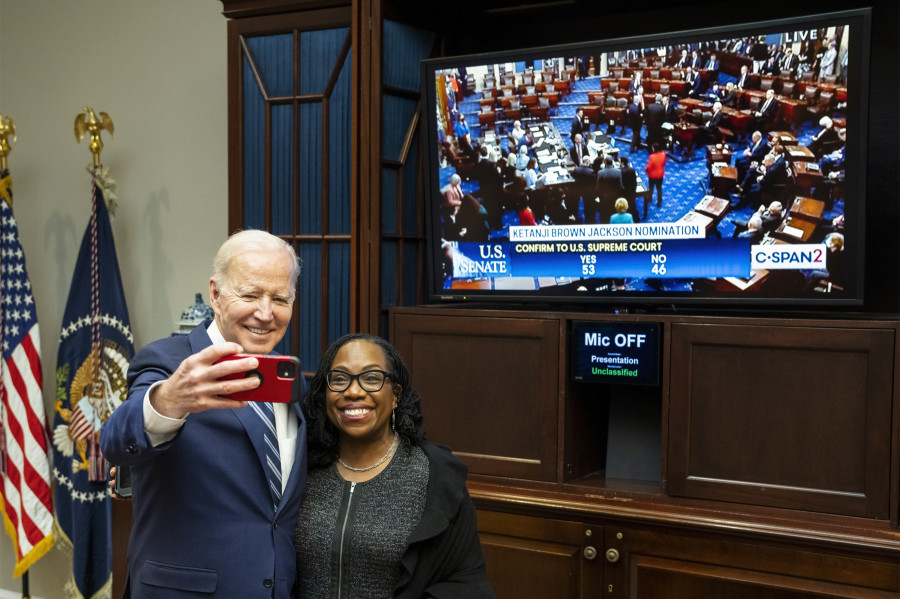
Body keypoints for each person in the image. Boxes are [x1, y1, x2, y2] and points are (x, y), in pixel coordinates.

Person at [100, 230, 308, 599]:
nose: (265, 312)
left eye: (280, 298)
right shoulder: (167, 362)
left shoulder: (288, 382)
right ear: (216, 294)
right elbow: (116, 440)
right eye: (250, 294)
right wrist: (168, 400)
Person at [294, 334, 496, 599]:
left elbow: (466, 583)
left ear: (396, 395)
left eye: (371, 378)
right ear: (325, 394)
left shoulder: (437, 478)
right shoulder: (300, 467)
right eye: (340, 379)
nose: (354, 391)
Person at [644, 143, 666, 218]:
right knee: (659, 188)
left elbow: (649, 167)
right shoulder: (663, 154)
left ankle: (650, 198)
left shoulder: (652, 157)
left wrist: (646, 170)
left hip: (653, 175)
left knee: (651, 187)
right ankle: (659, 201)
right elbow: (663, 163)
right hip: (660, 175)